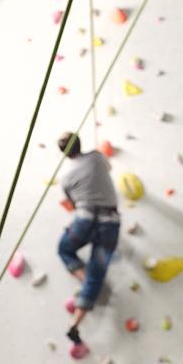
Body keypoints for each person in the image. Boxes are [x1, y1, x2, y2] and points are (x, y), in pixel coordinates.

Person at [56, 131, 119, 351]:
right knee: (97, 270)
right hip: (109, 222)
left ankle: (88, 285)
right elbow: (108, 169)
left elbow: (73, 204)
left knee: (65, 250)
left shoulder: (65, 177)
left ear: (64, 153)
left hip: (84, 220)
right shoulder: (97, 157)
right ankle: (76, 319)